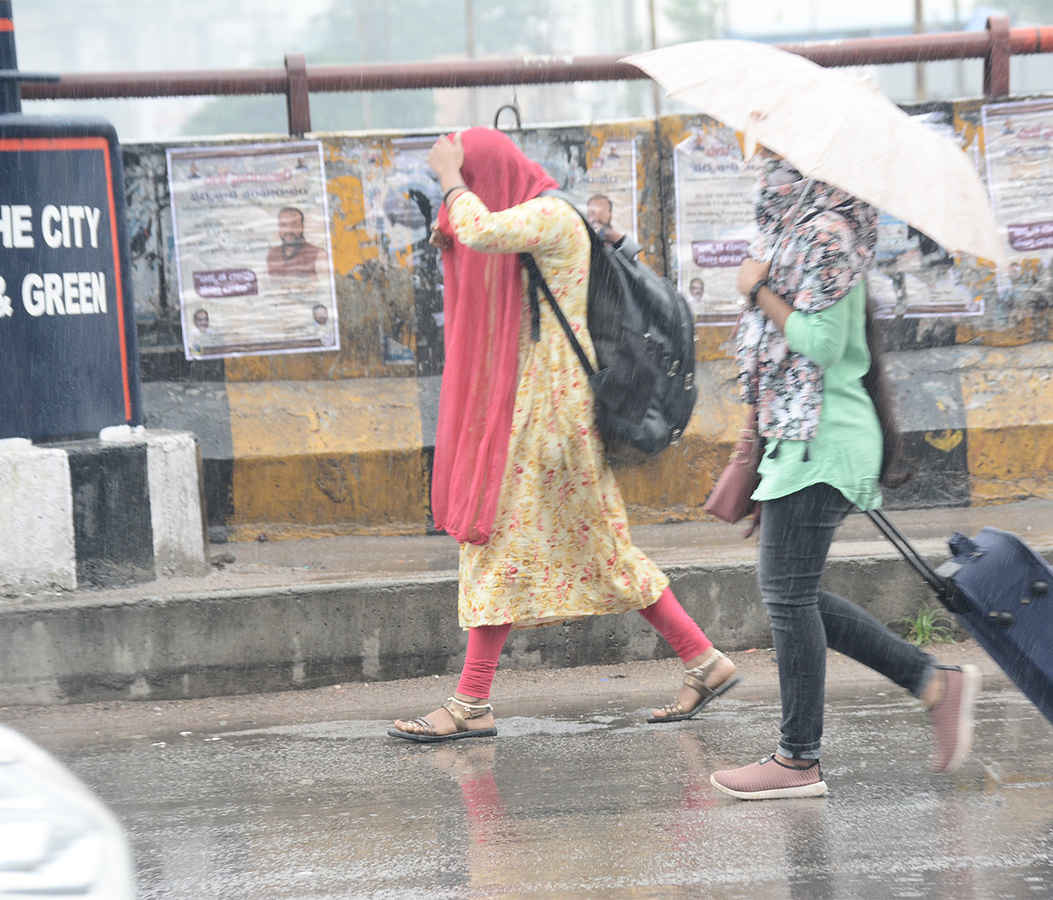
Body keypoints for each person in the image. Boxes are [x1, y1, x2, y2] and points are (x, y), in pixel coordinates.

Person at [389, 128, 741, 743]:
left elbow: (477, 230)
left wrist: (450, 178)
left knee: (499, 539)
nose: (468, 186)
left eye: (475, 174)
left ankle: (471, 702)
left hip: (548, 417)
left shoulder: (552, 216)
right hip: (545, 414)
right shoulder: (543, 213)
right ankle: (704, 660)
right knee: (599, 549)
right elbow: (468, 232)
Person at [707, 150, 981, 800]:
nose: (763, 168)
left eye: (773, 157)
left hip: (824, 440)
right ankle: (935, 684)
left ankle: (798, 759)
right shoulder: (800, 233)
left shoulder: (827, 234)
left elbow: (822, 345)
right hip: (800, 439)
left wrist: (756, 290)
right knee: (793, 595)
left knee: (789, 596)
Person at [266, 207, 328, 279]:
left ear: (302, 227)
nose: (288, 230)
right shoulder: (272, 255)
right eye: (283, 225)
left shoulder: (319, 255)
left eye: (294, 225)